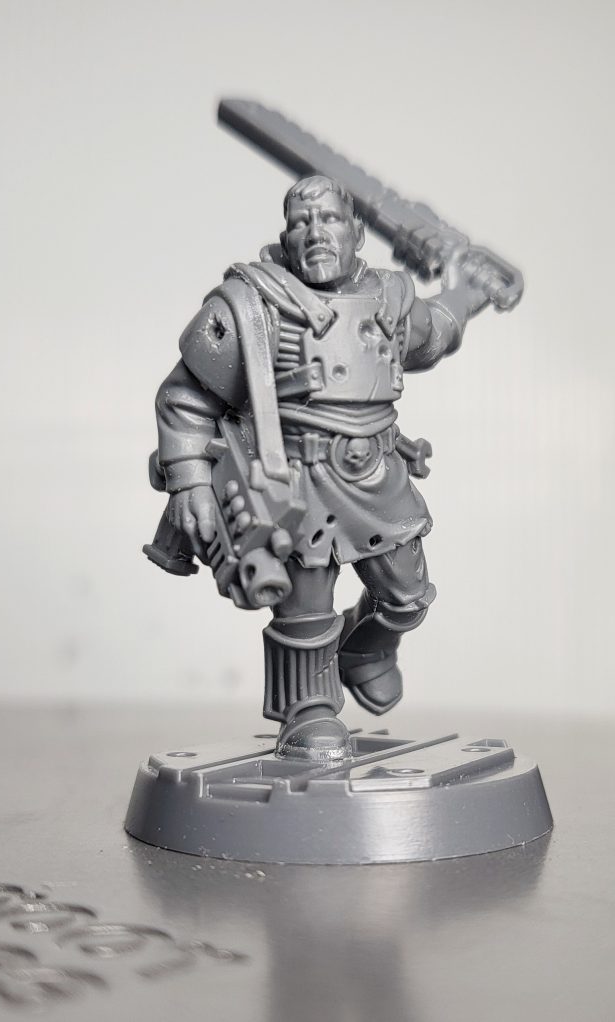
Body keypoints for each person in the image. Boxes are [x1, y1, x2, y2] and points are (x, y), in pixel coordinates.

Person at [153, 175, 491, 760]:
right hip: (296, 483)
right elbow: (185, 400)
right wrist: (188, 480)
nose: (315, 233)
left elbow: (435, 333)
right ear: (285, 236)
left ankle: (366, 649)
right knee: (305, 614)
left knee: (408, 597)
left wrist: (471, 293)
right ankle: (308, 711)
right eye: (300, 223)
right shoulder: (249, 306)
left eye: (329, 219)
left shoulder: (389, 298)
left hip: (376, 476)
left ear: (357, 232)